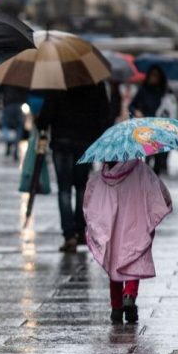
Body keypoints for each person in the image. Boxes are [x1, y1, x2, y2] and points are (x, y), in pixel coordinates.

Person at [83, 159, 172, 324]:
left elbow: (89, 201)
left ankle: (116, 307)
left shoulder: (100, 178)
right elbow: (157, 190)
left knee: (113, 264)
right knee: (134, 258)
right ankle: (129, 294)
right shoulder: (140, 170)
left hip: (111, 228)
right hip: (135, 223)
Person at [36, 84, 111, 253]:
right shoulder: (95, 83)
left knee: (64, 190)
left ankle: (69, 235)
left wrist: (39, 121)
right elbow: (103, 114)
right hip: (85, 142)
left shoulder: (59, 83)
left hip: (61, 141)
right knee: (81, 187)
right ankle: (79, 231)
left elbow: (45, 117)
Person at [129, 66, 170, 175]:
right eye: (152, 75)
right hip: (146, 127)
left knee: (159, 157)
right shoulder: (143, 90)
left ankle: (155, 178)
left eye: (156, 75)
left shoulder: (164, 92)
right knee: (147, 154)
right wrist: (137, 112)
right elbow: (131, 106)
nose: (154, 78)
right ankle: (147, 179)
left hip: (160, 127)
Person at [0, 84, 28, 161]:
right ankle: (16, 148)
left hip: (8, 105)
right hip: (19, 105)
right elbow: (27, 92)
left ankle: (8, 142)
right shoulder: (23, 79)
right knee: (19, 127)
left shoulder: (6, 79)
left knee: (6, 126)